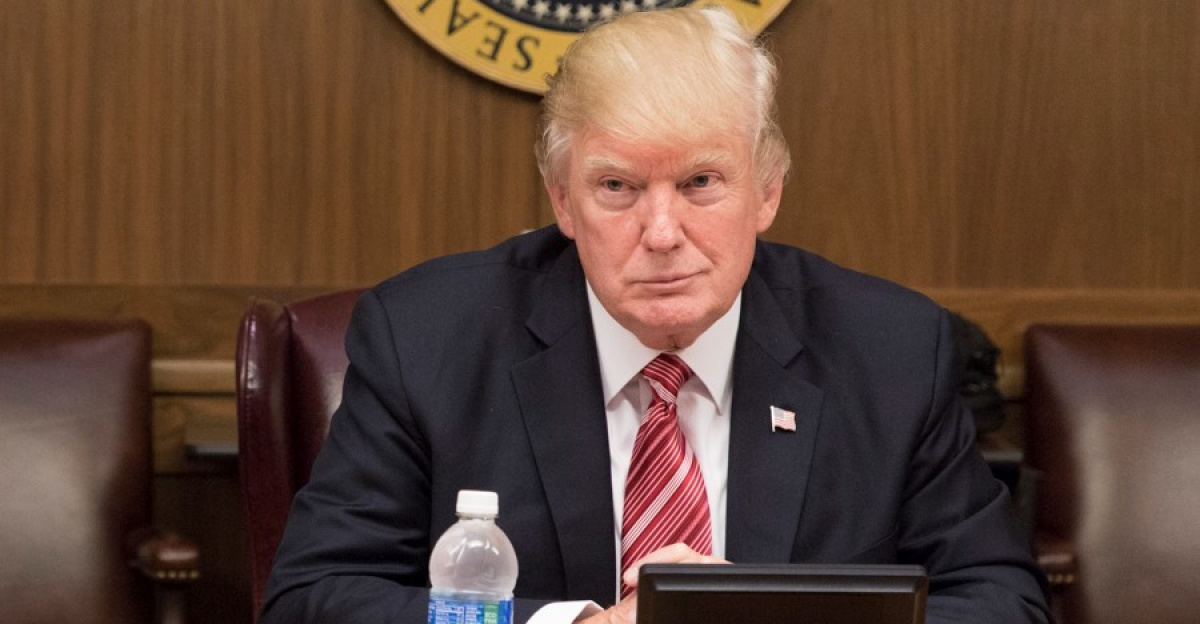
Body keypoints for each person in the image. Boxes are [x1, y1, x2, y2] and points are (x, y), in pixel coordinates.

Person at [260, 6, 1050, 624]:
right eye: (618, 188)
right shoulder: (428, 338)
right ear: (562, 200)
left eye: (703, 181)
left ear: (768, 191)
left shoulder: (892, 350)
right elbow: (314, 599)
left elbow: (1000, 602)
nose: (663, 233)